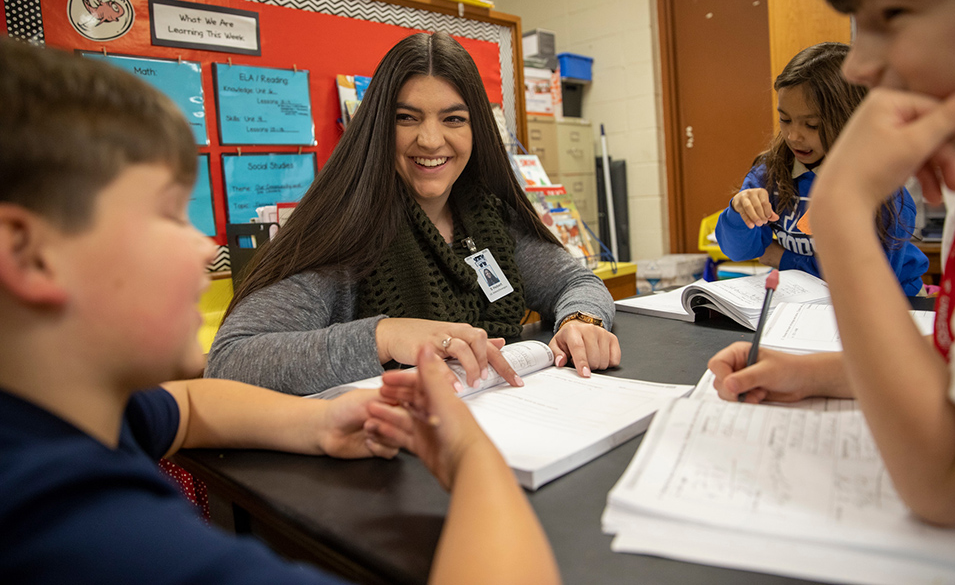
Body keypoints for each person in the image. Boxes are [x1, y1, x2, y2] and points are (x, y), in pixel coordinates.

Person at [0, 39, 560, 584]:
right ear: (28, 254)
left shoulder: (74, 414)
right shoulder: (100, 542)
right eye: (169, 216)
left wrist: (319, 423)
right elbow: (231, 359)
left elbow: (190, 405)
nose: (204, 247)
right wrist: (469, 453)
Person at [708, 0, 955, 525]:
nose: (861, 65)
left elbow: (948, 484)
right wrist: (816, 373)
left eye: (892, 14)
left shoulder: (891, 186)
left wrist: (838, 210)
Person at [207, 32, 619, 395]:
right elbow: (230, 361)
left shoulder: (490, 219)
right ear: (379, 127)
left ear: (477, 131)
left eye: (453, 119)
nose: (430, 139)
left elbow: (575, 281)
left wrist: (581, 321)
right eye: (407, 118)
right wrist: (384, 335)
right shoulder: (344, 232)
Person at [715, 42, 929, 296]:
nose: (793, 136)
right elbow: (739, 251)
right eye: (785, 119)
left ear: (850, 120)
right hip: (806, 300)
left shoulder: (884, 191)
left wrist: (782, 257)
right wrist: (740, 211)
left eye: (812, 125)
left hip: (891, 302)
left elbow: (868, 282)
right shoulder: (769, 174)